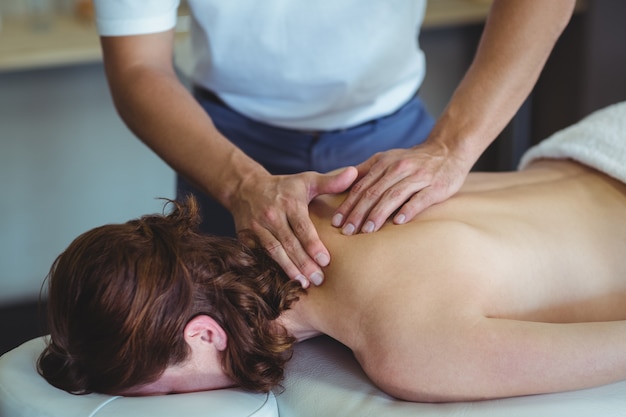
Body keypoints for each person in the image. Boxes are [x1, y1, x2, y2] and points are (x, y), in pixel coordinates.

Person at [38, 102, 626, 402]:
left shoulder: (407, 349)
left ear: (204, 335)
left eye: (165, 392)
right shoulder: (310, 200)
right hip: (598, 143)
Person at [92, 0, 576, 287]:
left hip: (391, 142)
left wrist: (452, 147)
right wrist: (240, 185)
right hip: (222, 147)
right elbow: (138, 66)